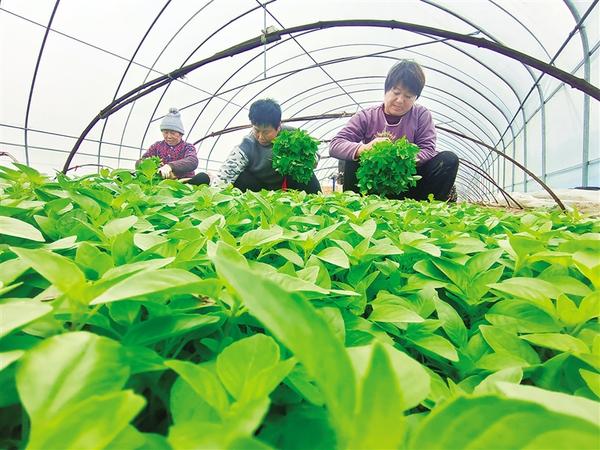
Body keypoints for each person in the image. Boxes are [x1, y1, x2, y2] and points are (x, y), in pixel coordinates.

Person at [329, 60, 458, 201]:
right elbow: (336, 144)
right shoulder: (367, 116)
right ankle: (356, 206)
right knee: (353, 157)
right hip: (374, 183)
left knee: (448, 160)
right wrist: (365, 149)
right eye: (396, 92)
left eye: (408, 96)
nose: (400, 100)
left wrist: (401, 160)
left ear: (416, 98)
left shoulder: (421, 115)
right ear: (386, 90)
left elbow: (428, 149)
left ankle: (424, 208)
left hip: (408, 184)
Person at [211, 99, 321, 193]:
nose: (260, 137)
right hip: (258, 191)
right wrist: (214, 194)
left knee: (305, 172)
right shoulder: (247, 145)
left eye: (266, 132)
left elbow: (314, 155)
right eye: (256, 130)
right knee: (241, 177)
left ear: (278, 126)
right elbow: (225, 174)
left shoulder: (293, 136)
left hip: (285, 188)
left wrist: (308, 161)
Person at [137, 108, 210, 185]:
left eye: (172, 133)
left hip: (183, 182)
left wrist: (170, 166)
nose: (169, 136)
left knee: (203, 177)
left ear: (181, 134)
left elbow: (192, 161)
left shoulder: (187, 147)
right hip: (161, 182)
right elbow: (141, 161)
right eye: (165, 132)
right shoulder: (157, 146)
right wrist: (155, 168)